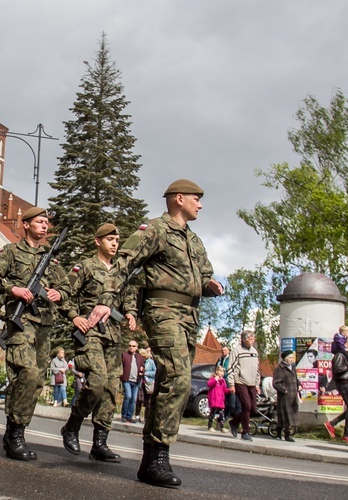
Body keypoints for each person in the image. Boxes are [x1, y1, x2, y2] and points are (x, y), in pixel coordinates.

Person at [88, 179, 223, 488]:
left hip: (189, 316)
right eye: (195, 199)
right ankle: (159, 455)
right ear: (179, 199)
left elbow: (204, 275)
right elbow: (124, 263)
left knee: (168, 382)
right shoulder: (155, 230)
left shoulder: (195, 240)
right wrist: (107, 300)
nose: (200, 204)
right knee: (178, 378)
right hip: (162, 311)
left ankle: (150, 460)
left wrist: (210, 285)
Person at [0, 206, 83, 461]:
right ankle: (16, 434)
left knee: (36, 380)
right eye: (39, 221)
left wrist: (60, 293)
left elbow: (66, 286)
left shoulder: (50, 260)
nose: (44, 226)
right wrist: (13, 289)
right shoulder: (12, 252)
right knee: (26, 374)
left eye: (46, 222)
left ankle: (14, 431)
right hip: (21, 323)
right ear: (25, 224)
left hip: (44, 326)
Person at [59, 222, 137, 462]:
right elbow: (64, 294)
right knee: (97, 381)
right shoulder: (85, 266)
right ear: (97, 241)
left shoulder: (121, 272)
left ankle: (99, 443)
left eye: (117, 240)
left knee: (111, 389)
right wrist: (74, 317)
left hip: (113, 335)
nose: (115, 244)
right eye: (110, 239)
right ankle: (72, 425)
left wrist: (131, 313)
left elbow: (128, 298)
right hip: (91, 332)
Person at [227, 330, 261, 442]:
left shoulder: (254, 351)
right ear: (244, 339)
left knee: (253, 408)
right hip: (241, 381)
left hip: (252, 383)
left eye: (253, 338)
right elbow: (230, 368)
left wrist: (257, 384)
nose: (252, 340)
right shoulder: (237, 351)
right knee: (246, 406)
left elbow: (257, 369)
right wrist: (231, 383)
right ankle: (245, 431)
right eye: (250, 338)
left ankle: (234, 422)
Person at [325, 336, 348, 442]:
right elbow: (337, 369)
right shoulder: (340, 355)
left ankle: (332, 424)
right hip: (344, 383)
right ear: (345, 345)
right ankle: (346, 434)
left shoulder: (347, 356)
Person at [272, 350, 301, 442]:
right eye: (290, 358)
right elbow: (276, 383)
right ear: (284, 358)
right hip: (285, 397)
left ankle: (279, 431)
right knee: (286, 416)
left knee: (289, 416)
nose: (292, 359)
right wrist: (285, 390)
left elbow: (295, 379)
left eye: (292, 357)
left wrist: (299, 385)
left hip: (293, 396)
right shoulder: (280, 369)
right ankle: (287, 434)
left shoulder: (292, 367)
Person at [120, 341, 144, 423]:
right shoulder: (124, 355)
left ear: (136, 347)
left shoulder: (140, 357)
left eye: (133, 346)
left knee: (133, 399)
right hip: (127, 380)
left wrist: (142, 371)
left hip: (136, 381)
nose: (131, 347)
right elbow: (120, 366)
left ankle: (129, 416)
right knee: (128, 396)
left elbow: (143, 367)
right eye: (130, 345)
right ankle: (124, 415)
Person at [215, 345, 237, 420]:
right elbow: (216, 370)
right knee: (222, 404)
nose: (223, 352)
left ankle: (223, 418)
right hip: (221, 384)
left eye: (225, 350)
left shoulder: (231, 360)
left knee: (232, 404)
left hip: (229, 383)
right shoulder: (219, 360)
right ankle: (221, 421)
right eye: (222, 350)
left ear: (228, 351)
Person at [206, 365, 227, 432]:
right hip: (214, 400)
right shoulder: (213, 378)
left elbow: (224, 390)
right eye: (221, 371)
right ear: (217, 371)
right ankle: (210, 426)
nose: (222, 373)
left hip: (220, 401)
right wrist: (215, 379)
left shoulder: (223, 381)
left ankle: (222, 427)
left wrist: (230, 390)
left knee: (222, 414)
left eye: (223, 372)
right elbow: (209, 384)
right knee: (212, 414)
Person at [139, 348, 156, 423]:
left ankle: (147, 417)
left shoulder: (151, 362)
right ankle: (138, 416)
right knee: (140, 400)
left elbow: (154, 372)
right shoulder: (140, 362)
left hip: (148, 383)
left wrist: (145, 373)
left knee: (148, 401)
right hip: (141, 383)